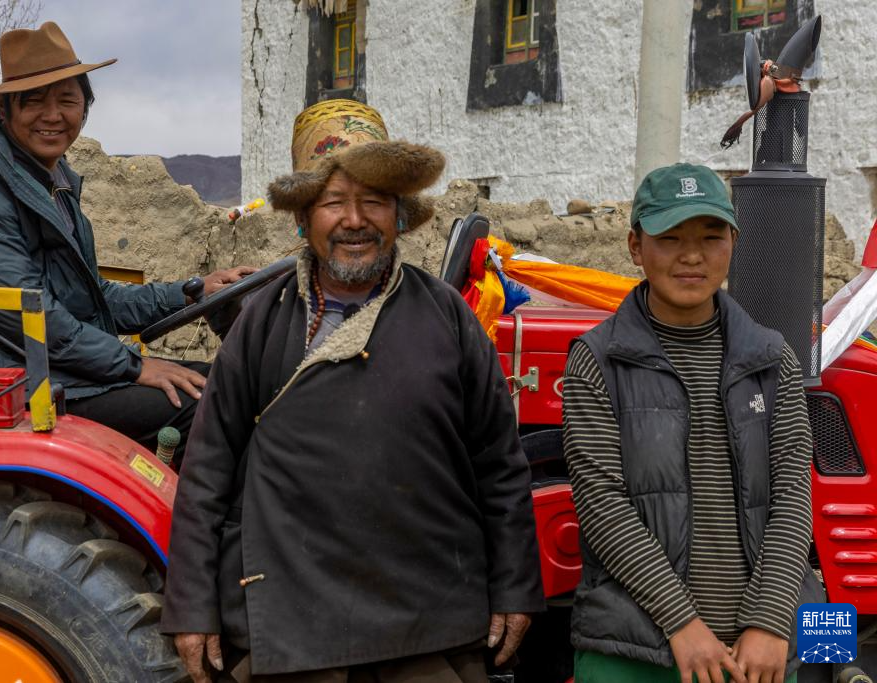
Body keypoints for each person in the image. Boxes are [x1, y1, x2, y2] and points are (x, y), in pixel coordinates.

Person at [161, 99, 544, 682]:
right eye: (333, 202)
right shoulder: (263, 322)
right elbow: (208, 468)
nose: (354, 220)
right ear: (303, 219)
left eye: (374, 201)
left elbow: (500, 464)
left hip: (428, 622)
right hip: (294, 626)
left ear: (399, 215)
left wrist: (515, 586)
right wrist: (192, 604)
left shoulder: (447, 316)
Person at [0, 22, 251, 456]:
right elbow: (31, 313)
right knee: (211, 404)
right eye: (34, 101)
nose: (53, 115)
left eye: (67, 100)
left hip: (56, 371)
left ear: (85, 106)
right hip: (15, 386)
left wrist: (189, 294)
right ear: (5, 109)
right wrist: (133, 367)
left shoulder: (44, 181)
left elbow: (91, 298)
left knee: (230, 385)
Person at [562, 163, 823, 683]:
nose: (691, 256)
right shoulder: (598, 361)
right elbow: (602, 505)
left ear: (734, 242)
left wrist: (772, 622)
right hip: (637, 654)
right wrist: (682, 623)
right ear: (636, 247)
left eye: (710, 236)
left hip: (760, 656)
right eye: (669, 238)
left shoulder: (774, 358)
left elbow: (794, 495)